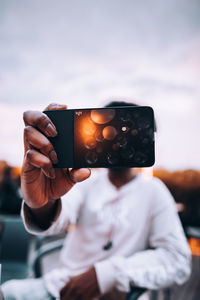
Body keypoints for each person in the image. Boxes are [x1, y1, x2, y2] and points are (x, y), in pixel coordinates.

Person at [1, 102, 191, 300]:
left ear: (148, 137)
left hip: (121, 295)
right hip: (62, 287)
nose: (119, 142)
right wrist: (42, 203)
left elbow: (177, 259)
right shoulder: (84, 180)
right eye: (111, 132)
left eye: (128, 131)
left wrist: (107, 274)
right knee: (7, 292)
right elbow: (60, 214)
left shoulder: (154, 191)